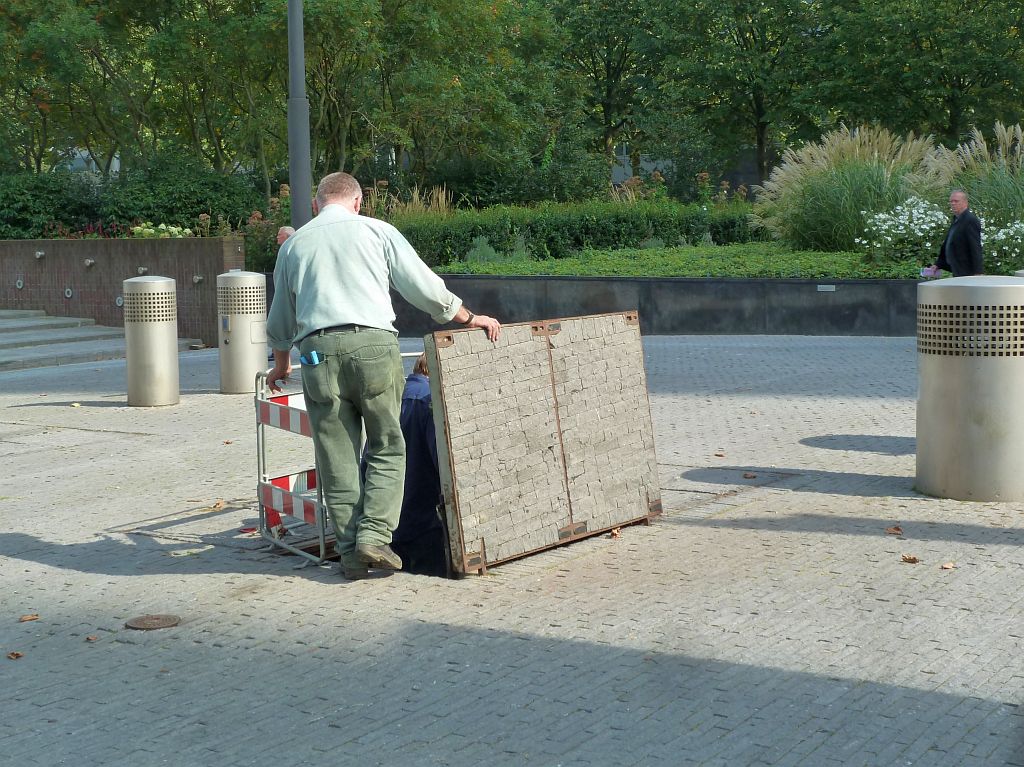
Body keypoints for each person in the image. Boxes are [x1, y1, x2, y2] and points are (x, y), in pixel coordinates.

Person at [265, 172, 501, 579]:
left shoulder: (295, 244)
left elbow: (281, 321)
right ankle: (374, 535)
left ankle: (350, 554)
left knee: (336, 455)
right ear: (357, 202)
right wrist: (468, 318)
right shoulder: (377, 231)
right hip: (373, 346)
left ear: (317, 205)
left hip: (317, 352)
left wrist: (283, 365)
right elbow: (424, 288)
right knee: (388, 444)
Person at [362, 353, 448, 577]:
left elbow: (367, 460)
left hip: (386, 521)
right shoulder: (431, 401)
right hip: (424, 523)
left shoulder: (390, 399)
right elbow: (444, 466)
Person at [931, 189, 983, 277]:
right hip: (957, 270)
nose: (953, 204)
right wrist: (938, 264)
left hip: (966, 271)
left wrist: (978, 272)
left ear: (965, 203)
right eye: (951, 201)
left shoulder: (970, 220)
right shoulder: (956, 219)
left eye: (956, 201)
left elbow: (975, 247)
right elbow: (949, 243)